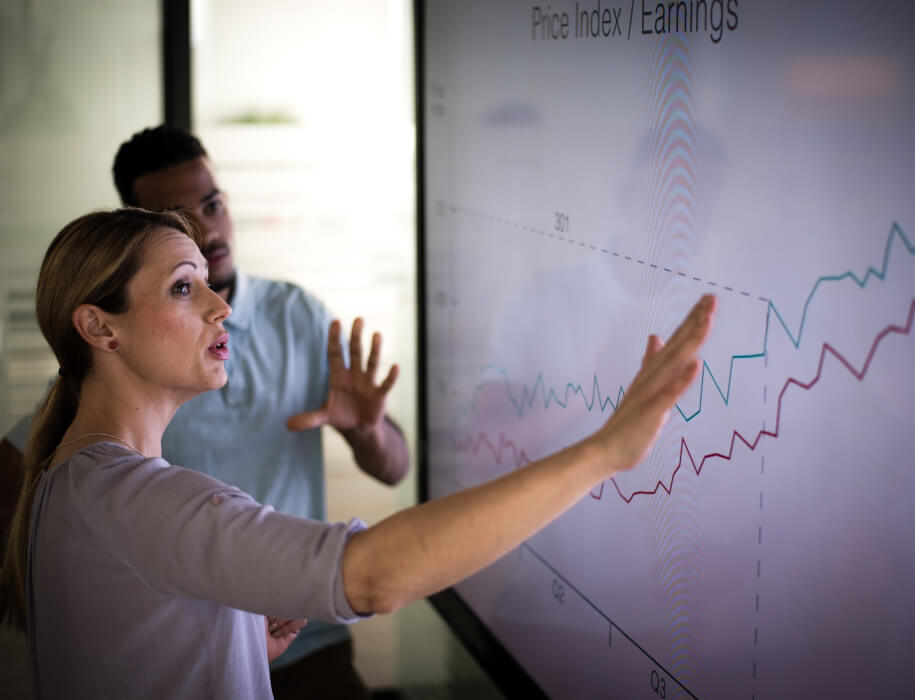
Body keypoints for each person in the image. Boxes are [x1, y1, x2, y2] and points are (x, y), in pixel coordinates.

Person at [0, 207, 716, 699]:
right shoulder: (139, 499)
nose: (220, 307)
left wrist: (234, 648)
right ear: (100, 327)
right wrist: (602, 453)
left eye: (210, 285)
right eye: (183, 289)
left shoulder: (73, 479)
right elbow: (374, 578)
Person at [0, 125, 410, 698]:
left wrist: (366, 432)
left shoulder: (297, 316)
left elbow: (395, 466)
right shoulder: (131, 477)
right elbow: (371, 575)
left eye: (213, 204)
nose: (210, 227)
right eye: (182, 287)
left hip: (283, 637)